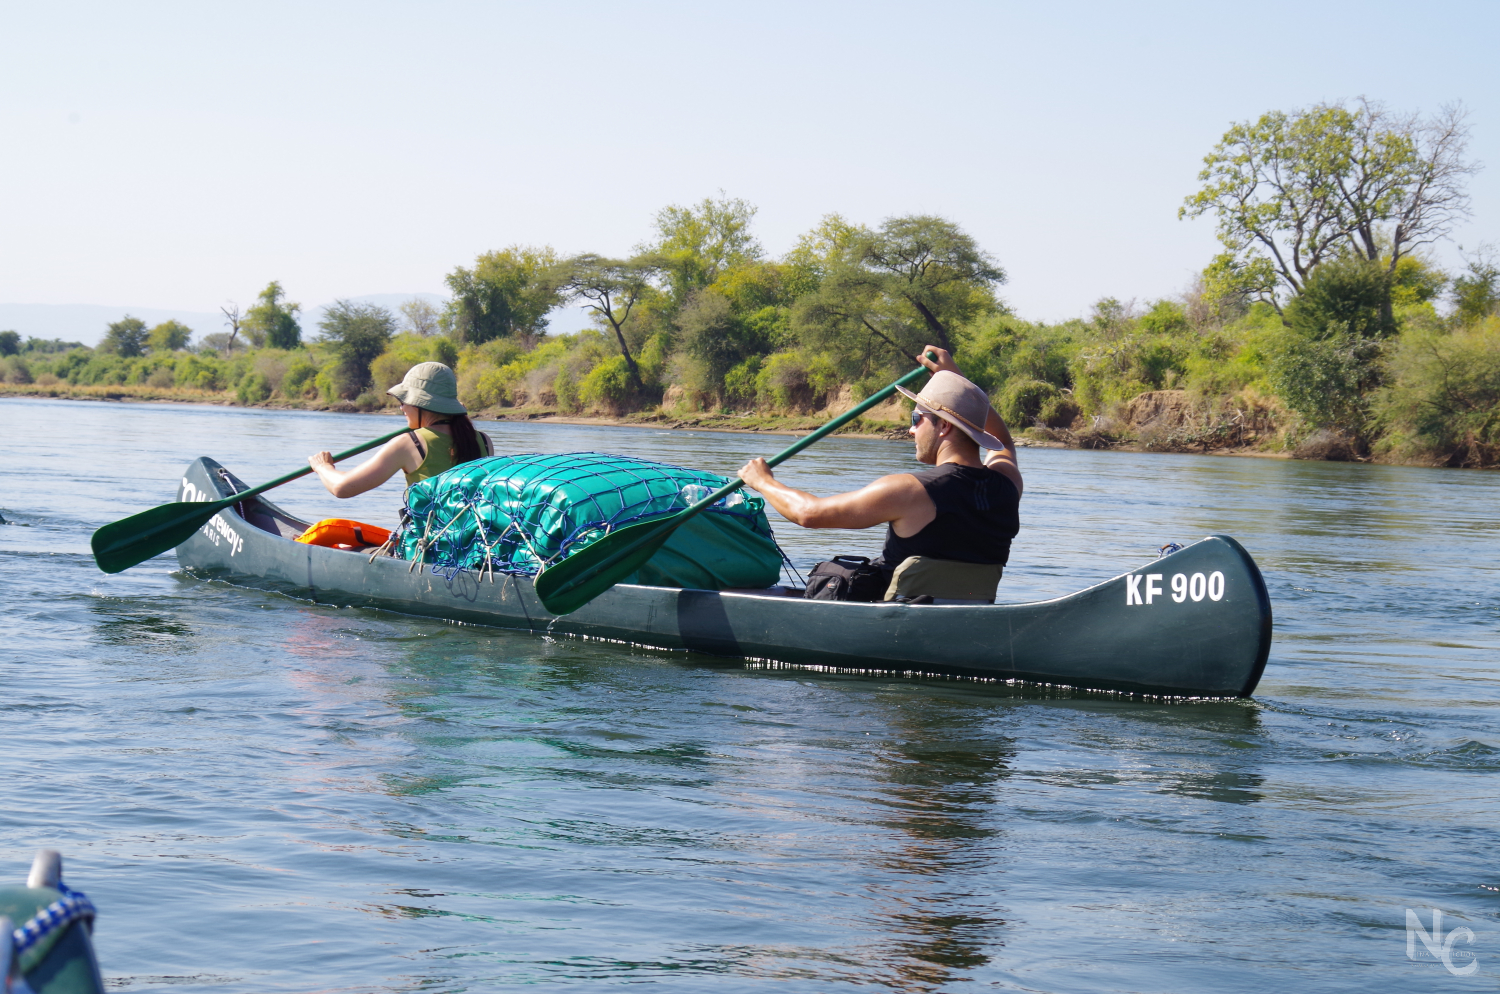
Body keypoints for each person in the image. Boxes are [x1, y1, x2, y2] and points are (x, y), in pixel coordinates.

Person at [738, 346, 1021, 602]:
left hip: (896, 624)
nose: (911, 430)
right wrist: (954, 381)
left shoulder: (909, 491)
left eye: (916, 418)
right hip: (967, 615)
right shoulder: (1008, 483)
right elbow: (1004, 441)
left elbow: (809, 514)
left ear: (944, 427)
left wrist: (763, 481)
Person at [307, 361, 494, 500]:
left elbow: (342, 488)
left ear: (421, 405)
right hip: (472, 546)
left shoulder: (410, 443)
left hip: (425, 546)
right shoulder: (483, 441)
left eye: (403, 401)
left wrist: (323, 467)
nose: (401, 408)